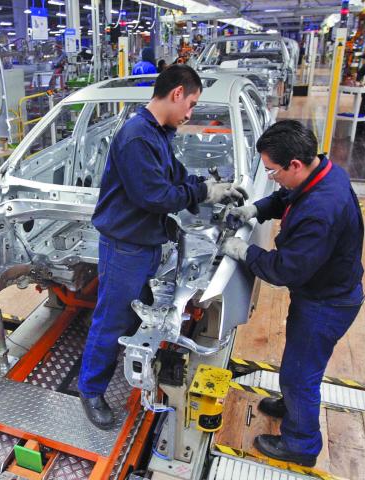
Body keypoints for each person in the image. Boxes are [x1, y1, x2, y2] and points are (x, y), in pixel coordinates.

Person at [78, 64, 247, 430]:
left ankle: (128, 362)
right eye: (191, 104)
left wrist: (209, 186)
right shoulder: (138, 137)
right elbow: (154, 195)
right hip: (126, 247)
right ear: (176, 94)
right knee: (112, 318)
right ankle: (90, 389)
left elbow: (174, 175)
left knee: (136, 312)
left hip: (146, 242)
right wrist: (202, 193)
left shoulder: (158, 133)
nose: (190, 113)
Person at [221, 120, 364, 466]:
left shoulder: (321, 211)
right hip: (325, 291)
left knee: (300, 373)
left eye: (273, 170)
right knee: (298, 362)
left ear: (295, 164)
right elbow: (287, 195)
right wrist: (255, 209)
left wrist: (243, 251)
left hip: (327, 302)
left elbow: (285, 269)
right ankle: (292, 406)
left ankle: (300, 444)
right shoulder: (323, 173)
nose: (271, 177)